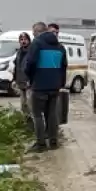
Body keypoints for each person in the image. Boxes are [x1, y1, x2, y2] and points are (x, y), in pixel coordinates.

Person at [24, 22, 67, 152]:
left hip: (39, 85)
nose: (33, 36)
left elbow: (30, 63)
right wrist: (60, 83)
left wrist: (30, 78)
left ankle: (41, 144)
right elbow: (64, 67)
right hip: (54, 86)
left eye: (33, 33)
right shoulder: (60, 47)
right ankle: (53, 142)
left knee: (37, 115)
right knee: (52, 114)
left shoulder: (37, 44)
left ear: (37, 32)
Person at [11, 32, 32, 122]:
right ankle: (25, 121)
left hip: (29, 82)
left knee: (30, 104)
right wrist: (14, 79)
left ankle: (32, 122)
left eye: (25, 39)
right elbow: (16, 66)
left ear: (28, 40)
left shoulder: (32, 52)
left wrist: (31, 79)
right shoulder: (19, 52)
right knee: (23, 104)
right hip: (20, 82)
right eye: (21, 40)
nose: (23, 41)